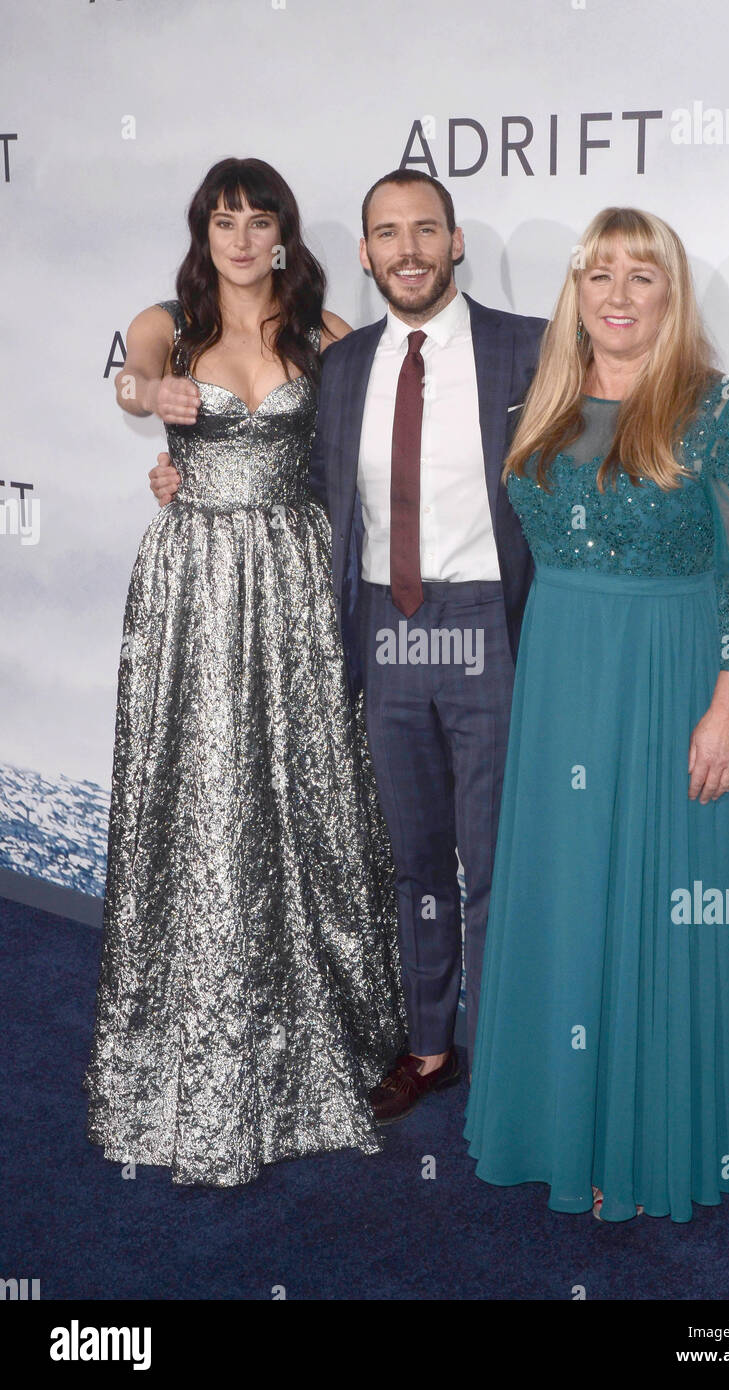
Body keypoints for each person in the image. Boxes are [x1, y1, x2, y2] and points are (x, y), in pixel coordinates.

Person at [148, 171, 729, 1127]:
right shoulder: (338, 361)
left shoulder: (535, 350)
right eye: (385, 234)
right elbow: (256, 427)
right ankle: (429, 1044)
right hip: (380, 626)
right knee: (411, 859)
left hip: (497, 629)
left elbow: (643, 424)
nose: (407, 250)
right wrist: (180, 473)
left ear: (454, 243)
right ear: (362, 256)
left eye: (425, 230)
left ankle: (511, 1057)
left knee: (507, 861)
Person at [464, 207, 729, 1224]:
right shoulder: (545, 397)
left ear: (671, 295)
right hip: (561, 678)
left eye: (640, 276)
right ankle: (551, 1125)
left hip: (666, 682)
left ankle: (638, 1140)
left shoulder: (720, 408)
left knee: (651, 899)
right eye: (598, 273)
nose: (615, 293)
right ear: (576, 289)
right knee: (568, 899)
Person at [84, 157, 405, 1187]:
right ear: (203, 230)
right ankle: (198, 1045)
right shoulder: (164, 324)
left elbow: (408, 402)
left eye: (256, 219)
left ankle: (327, 1029)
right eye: (221, 219)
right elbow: (132, 379)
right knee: (208, 800)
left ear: (281, 234)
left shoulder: (323, 332)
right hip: (195, 584)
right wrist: (151, 396)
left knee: (309, 798)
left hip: (298, 581)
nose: (238, 236)